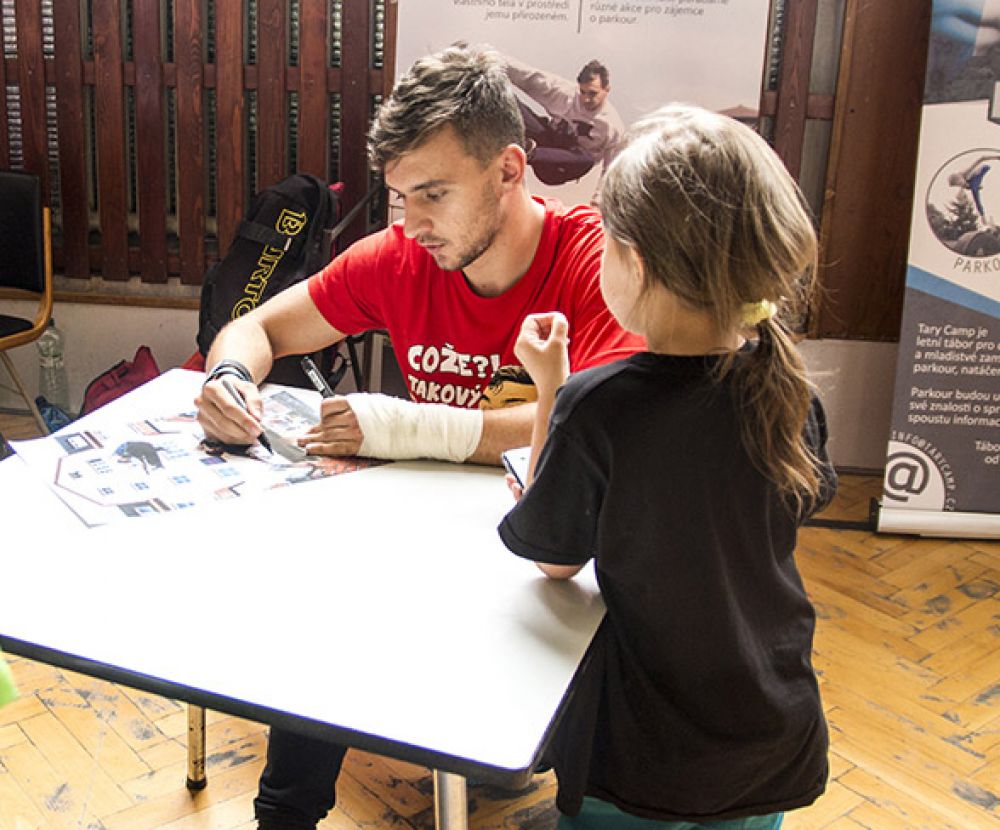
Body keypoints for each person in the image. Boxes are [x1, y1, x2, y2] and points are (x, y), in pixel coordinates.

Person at [195, 43, 644, 830]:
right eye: (401, 196)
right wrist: (227, 379)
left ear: (510, 170)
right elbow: (255, 327)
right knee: (328, 601)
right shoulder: (403, 257)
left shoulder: (593, 261)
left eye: (433, 194)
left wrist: (410, 427)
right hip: (432, 542)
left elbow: (597, 426)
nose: (413, 223)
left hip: (554, 556)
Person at [499, 104, 838, 828]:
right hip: (770, 730)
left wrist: (549, 389)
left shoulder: (598, 406)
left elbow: (555, 558)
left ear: (637, 261)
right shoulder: (790, 390)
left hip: (644, 749)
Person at [505, 56, 626, 191]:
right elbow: (530, 77)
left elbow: (611, 170)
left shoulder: (612, 126)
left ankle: (527, 153)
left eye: (592, 94)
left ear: (607, 89)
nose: (586, 99)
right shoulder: (566, 94)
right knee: (507, 98)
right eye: (583, 92)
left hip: (560, 167)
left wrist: (597, 203)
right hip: (548, 142)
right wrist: (491, 60)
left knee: (587, 159)